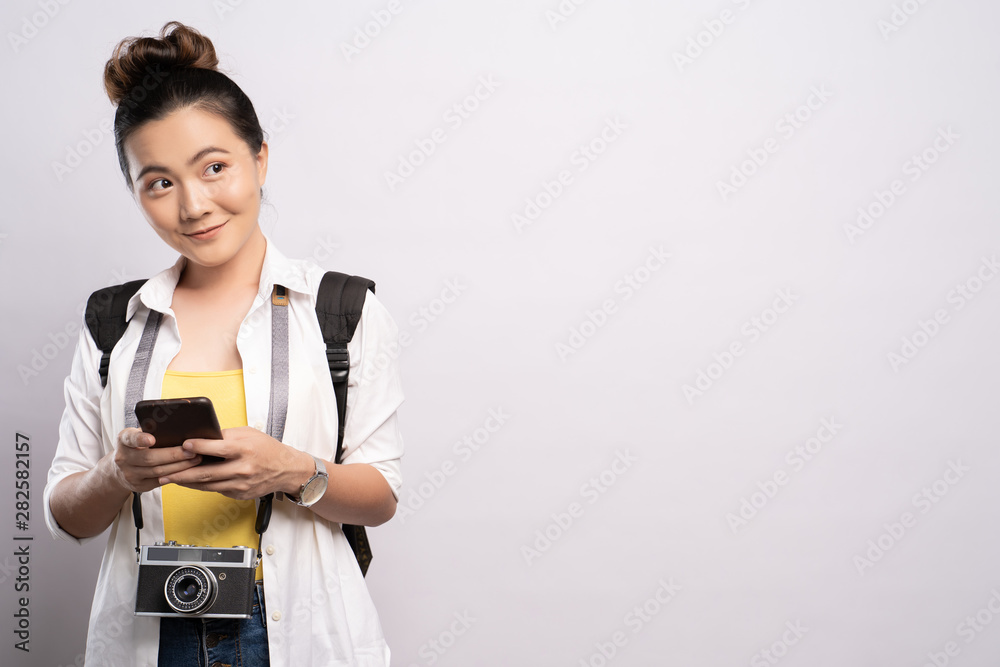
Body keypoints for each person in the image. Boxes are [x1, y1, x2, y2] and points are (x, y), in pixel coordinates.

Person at [42, 20, 405, 667]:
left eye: (215, 167)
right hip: (151, 634)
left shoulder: (339, 310)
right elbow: (68, 515)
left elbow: (381, 497)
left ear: (259, 157)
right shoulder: (113, 321)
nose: (194, 205)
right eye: (159, 182)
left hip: (295, 625)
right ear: (136, 192)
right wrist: (118, 473)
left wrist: (293, 470)